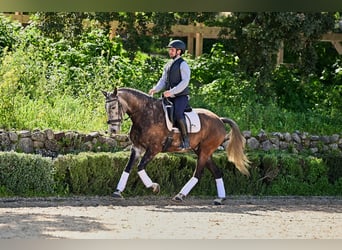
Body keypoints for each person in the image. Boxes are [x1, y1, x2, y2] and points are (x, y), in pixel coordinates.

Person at [149, 39, 191, 150]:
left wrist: (172, 92)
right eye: (170, 50)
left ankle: (186, 140)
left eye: (172, 50)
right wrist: (155, 89)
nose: (170, 52)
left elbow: (185, 82)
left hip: (181, 96)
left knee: (177, 114)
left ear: (179, 51)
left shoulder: (183, 64)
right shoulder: (168, 65)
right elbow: (163, 80)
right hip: (168, 96)